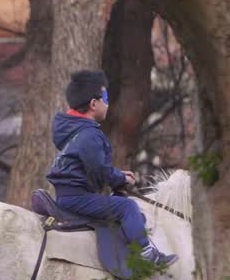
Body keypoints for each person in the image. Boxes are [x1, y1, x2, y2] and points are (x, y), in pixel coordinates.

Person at [45, 69, 177, 269]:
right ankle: (147, 254)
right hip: (78, 197)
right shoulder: (89, 134)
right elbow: (99, 171)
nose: (108, 103)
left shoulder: (74, 131)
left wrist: (117, 175)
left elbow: (91, 167)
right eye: (106, 97)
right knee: (127, 207)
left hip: (67, 195)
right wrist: (121, 180)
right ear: (93, 103)